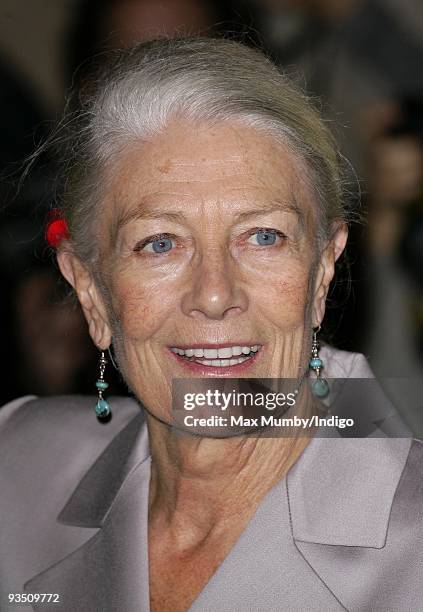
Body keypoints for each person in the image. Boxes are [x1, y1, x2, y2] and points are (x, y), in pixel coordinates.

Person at [0, 37, 422, 612]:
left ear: (322, 272)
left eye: (263, 236)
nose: (216, 294)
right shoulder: (16, 462)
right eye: (160, 243)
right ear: (91, 293)